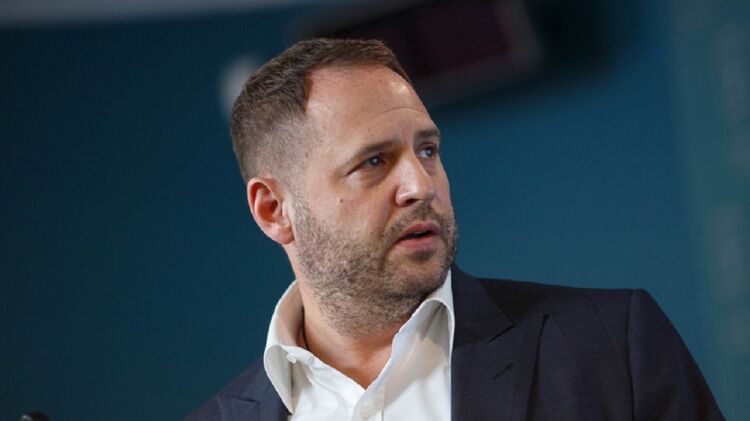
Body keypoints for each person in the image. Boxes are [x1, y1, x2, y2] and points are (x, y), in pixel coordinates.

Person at [186, 38, 723, 420]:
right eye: (373, 161)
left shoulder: (611, 348)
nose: (420, 185)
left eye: (427, 150)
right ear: (273, 210)